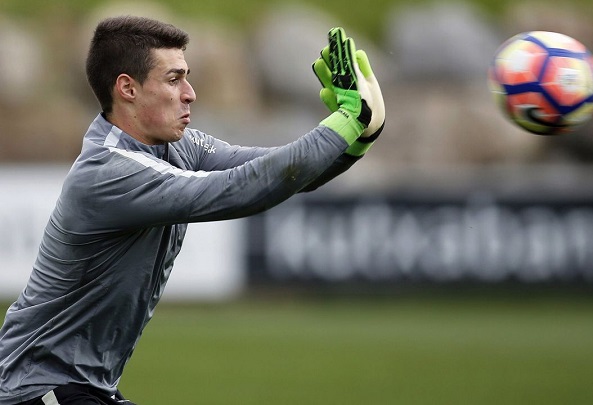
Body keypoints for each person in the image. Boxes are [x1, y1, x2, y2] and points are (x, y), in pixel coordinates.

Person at [0, 15, 384, 405]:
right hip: (35, 386)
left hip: (81, 386)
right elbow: (242, 189)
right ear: (127, 88)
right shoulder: (107, 171)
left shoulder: (177, 145)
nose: (190, 93)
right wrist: (344, 124)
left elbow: (278, 172)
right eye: (173, 79)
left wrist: (355, 139)